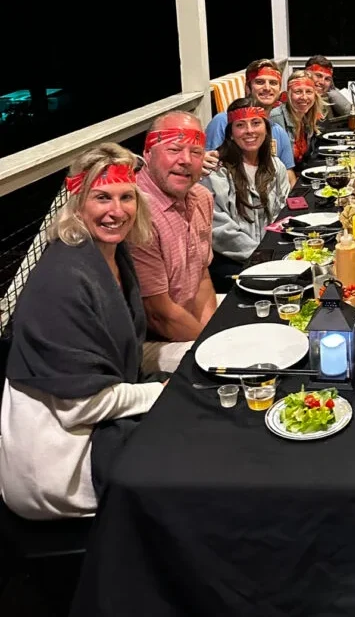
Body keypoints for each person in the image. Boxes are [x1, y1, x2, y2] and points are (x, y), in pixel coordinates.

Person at [1, 144, 166, 519]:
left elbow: (120, 350)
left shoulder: (111, 255)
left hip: (94, 426)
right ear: (76, 205)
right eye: (102, 198)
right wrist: (160, 392)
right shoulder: (63, 281)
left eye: (127, 197)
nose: (117, 211)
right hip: (61, 466)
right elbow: (81, 407)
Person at [131, 111, 217, 358]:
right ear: (147, 153)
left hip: (188, 323)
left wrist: (211, 332)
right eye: (174, 149)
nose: (186, 160)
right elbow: (157, 314)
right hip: (151, 342)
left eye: (196, 152)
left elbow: (201, 276)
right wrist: (211, 346)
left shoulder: (201, 197)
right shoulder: (135, 211)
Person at [201, 99, 290, 291]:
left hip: (271, 255)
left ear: (266, 129)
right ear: (231, 134)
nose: (249, 130)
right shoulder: (216, 171)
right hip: (232, 263)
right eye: (240, 125)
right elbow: (218, 229)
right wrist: (261, 256)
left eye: (256, 123)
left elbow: (283, 214)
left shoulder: (276, 167)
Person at [204, 59, 297, 187]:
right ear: (247, 88)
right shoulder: (223, 121)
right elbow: (210, 168)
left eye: (273, 83)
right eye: (259, 82)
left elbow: (289, 174)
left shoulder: (278, 131)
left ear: (279, 91)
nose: (267, 88)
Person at [270, 70, 324, 171]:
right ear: (289, 94)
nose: (304, 97)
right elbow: (278, 166)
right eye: (298, 92)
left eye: (309, 92)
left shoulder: (307, 116)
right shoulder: (276, 118)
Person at [305, 55, 352, 119]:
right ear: (306, 74)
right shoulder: (297, 99)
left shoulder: (330, 97)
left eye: (327, 79)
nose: (322, 82)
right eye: (318, 75)